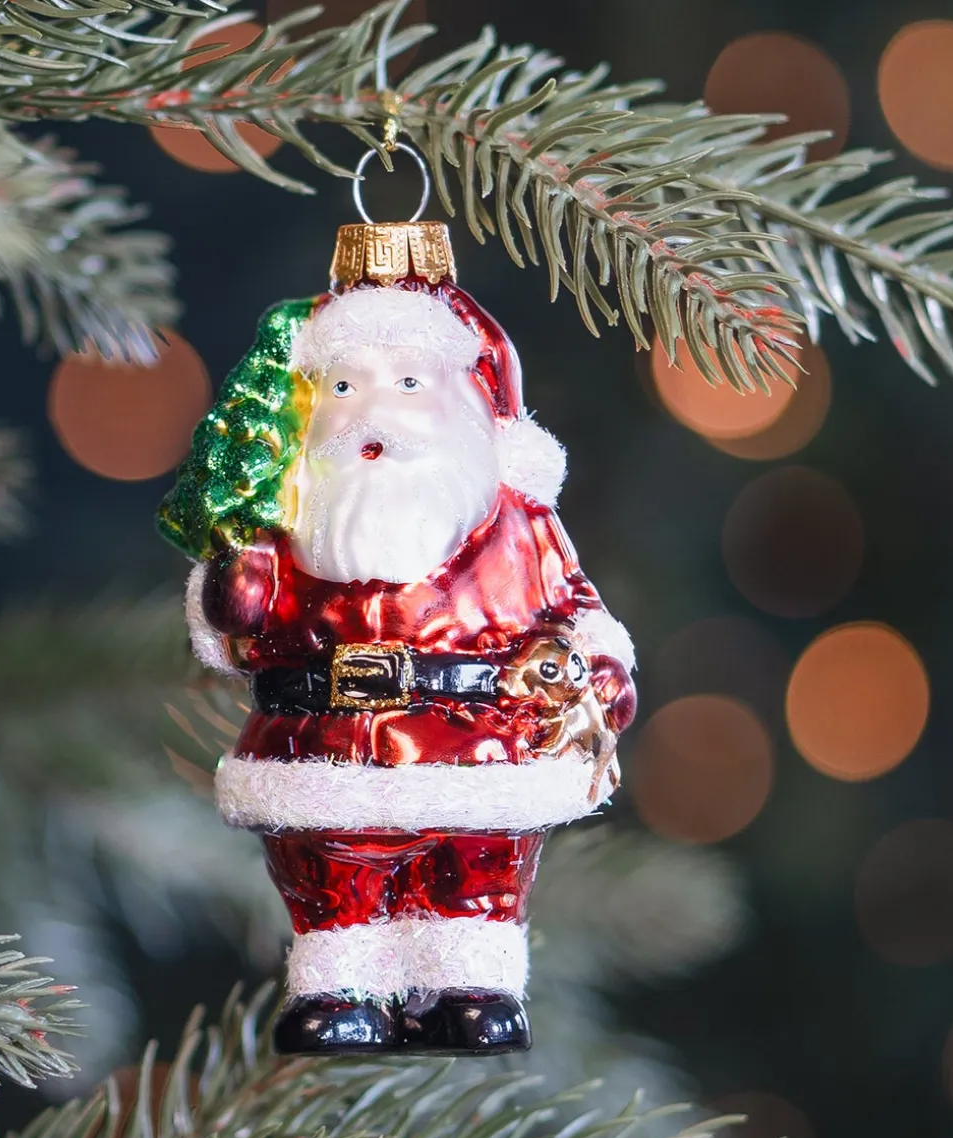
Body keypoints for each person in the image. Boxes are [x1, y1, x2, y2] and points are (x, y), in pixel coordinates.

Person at [159, 223, 636, 1054]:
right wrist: (230, 594)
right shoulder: (287, 526)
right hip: (321, 743)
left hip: (479, 745)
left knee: (476, 872)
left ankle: (473, 986)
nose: (374, 415)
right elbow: (235, 631)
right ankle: (343, 990)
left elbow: (575, 607)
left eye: (408, 382)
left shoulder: (514, 524)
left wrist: (597, 671)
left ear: (459, 399)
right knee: (332, 880)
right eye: (345, 387)